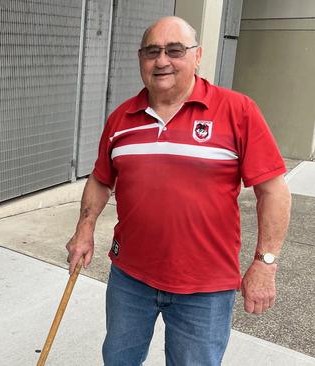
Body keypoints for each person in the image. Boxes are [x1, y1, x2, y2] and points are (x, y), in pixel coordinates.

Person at [65, 16, 291, 365]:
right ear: (140, 58)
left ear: (197, 56)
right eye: (152, 51)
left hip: (205, 288)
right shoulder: (122, 119)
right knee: (118, 360)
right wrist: (84, 228)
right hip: (130, 278)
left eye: (175, 50)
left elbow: (273, 190)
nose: (162, 61)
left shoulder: (237, 110)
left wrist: (266, 263)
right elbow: (100, 179)